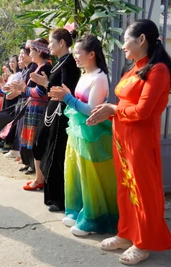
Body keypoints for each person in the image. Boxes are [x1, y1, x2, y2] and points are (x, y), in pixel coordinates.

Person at [87, 19, 171, 265]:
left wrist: (113, 108)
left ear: (141, 39)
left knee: (142, 190)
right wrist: (111, 110)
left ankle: (143, 242)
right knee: (125, 187)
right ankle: (126, 233)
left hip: (141, 140)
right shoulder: (134, 68)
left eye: (125, 40)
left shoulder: (159, 70)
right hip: (123, 139)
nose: (123, 45)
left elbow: (144, 111)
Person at [49, 35, 118, 236]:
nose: (75, 56)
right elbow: (78, 101)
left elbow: (91, 109)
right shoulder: (85, 74)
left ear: (91, 54)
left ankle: (92, 218)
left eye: (78, 53)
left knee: (90, 176)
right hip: (77, 130)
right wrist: (67, 95)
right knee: (74, 171)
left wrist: (67, 97)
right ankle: (77, 210)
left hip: (92, 133)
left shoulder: (100, 77)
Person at [30, 28, 80, 212]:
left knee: (55, 155)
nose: (48, 46)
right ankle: (50, 193)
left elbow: (66, 90)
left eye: (51, 42)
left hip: (60, 113)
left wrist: (46, 84)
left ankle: (59, 200)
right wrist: (46, 84)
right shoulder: (60, 62)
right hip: (52, 111)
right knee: (41, 146)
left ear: (61, 43)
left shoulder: (69, 64)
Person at [10, 38, 52, 189]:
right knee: (35, 143)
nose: (30, 53)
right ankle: (38, 177)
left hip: (39, 107)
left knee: (38, 143)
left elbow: (42, 92)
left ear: (40, 52)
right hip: (34, 106)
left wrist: (24, 89)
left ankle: (39, 178)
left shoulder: (44, 68)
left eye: (32, 50)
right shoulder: (40, 66)